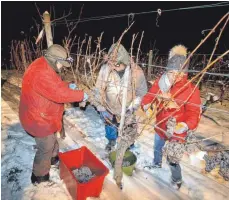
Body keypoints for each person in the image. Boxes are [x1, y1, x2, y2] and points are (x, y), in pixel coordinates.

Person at [19, 44, 88, 184]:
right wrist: (81, 95)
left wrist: (68, 86)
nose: (62, 67)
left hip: (42, 113)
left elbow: (54, 85)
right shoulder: (40, 72)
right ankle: (39, 176)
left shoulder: (44, 65)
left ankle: (53, 158)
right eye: (61, 64)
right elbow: (58, 93)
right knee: (45, 146)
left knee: (51, 139)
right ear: (55, 60)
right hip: (37, 118)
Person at [141, 45, 201, 189]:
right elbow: (149, 96)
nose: (175, 76)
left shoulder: (190, 89)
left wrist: (185, 125)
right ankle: (156, 163)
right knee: (157, 147)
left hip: (177, 129)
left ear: (185, 73)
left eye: (179, 73)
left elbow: (194, 113)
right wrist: (146, 107)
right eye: (172, 72)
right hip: (160, 125)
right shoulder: (161, 82)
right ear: (168, 70)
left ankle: (176, 179)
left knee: (173, 158)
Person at [91, 43, 147, 151]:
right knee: (110, 126)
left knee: (129, 130)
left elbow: (142, 92)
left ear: (124, 62)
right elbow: (98, 89)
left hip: (128, 108)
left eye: (116, 65)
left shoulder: (136, 72)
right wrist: (100, 106)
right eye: (110, 63)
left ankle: (129, 144)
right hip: (110, 107)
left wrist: (132, 107)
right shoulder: (105, 69)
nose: (112, 67)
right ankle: (111, 140)